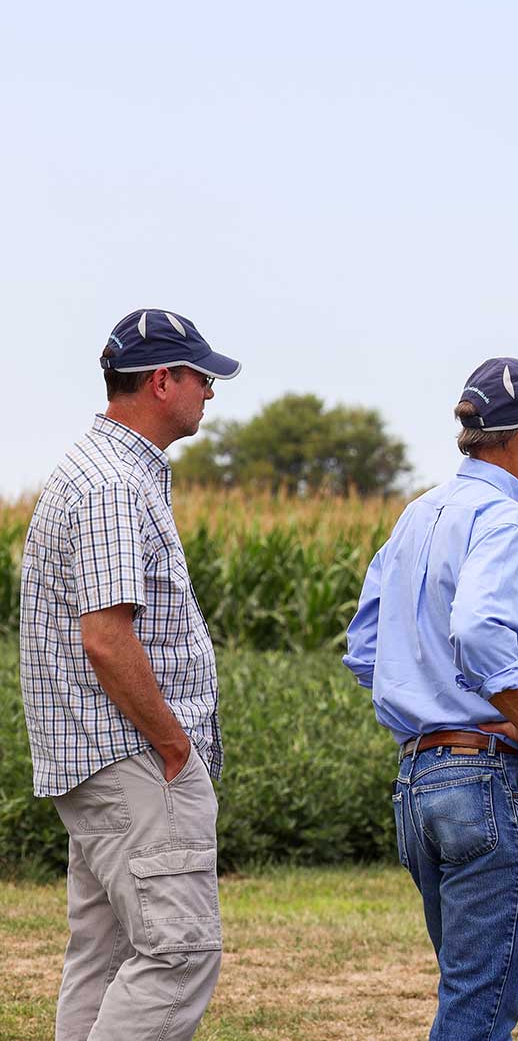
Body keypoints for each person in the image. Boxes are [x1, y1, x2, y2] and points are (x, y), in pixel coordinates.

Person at [343, 357, 518, 1041]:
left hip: (420, 781)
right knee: (479, 1013)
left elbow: (364, 648)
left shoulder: (417, 515)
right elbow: (480, 629)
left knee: (465, 991)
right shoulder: (503, 518)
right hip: (489, 776)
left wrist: (424, 699)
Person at [19, 309, 239, 1040]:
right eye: (201, 378)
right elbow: (108, 640)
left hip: (101, 761)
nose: (210, 392)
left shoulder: (95, 468)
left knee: (106, 956)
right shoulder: (114, 483)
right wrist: (174, 748)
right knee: (178, 955)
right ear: (160, 380)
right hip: (133, 762)